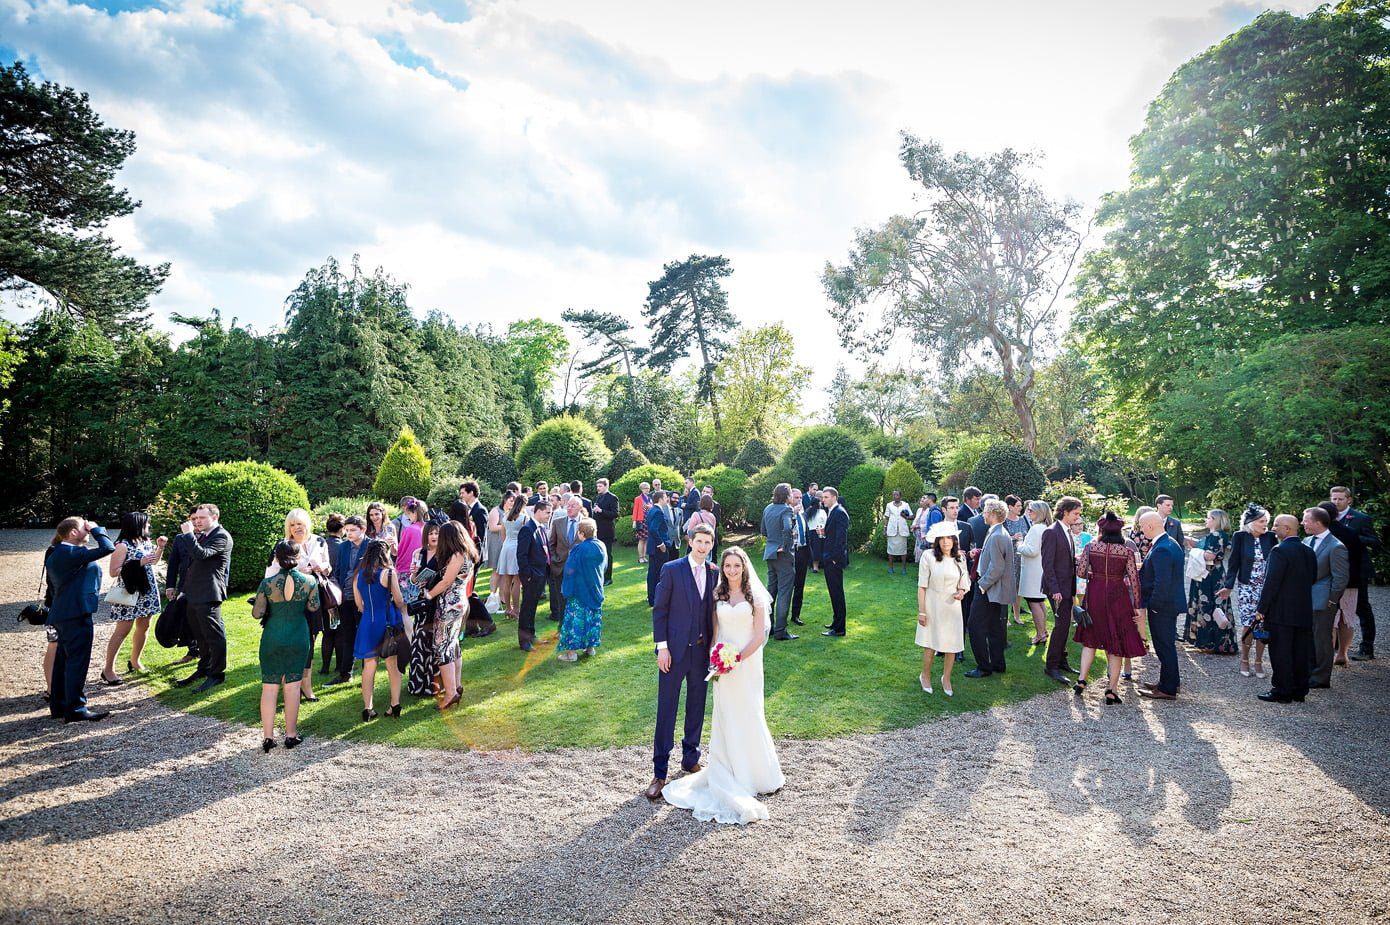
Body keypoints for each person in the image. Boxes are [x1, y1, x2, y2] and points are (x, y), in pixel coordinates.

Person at [662, 542, 783, 823]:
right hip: (722, 663)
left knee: (749, 711)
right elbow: (714, 632)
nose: (731, 570)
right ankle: (727, 767)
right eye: (727, 566)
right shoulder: (718, 593)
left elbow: (758, 637)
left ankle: (754, 771)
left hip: (747, 663)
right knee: (726, 713)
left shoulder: (756, 598)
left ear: (744, 567)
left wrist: (736, 658)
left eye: (736, 566)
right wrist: (716, 658)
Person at [646, 525, 718, 803]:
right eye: (698, 541)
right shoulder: (672, 569)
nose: (702, 546)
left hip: (701, 653)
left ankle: (690, 758)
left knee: (697, 706)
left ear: (712, 544)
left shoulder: (713, 572)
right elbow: (660, 610)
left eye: (707, 542)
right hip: (673, 653)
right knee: (667, 708)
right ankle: (659, 772)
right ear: (690, 541)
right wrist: (662, 648)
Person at [45, 517, 116, 722]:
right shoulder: (70, 552)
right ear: (73, 533)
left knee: (63, 661)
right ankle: (75, 708)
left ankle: (59, 706)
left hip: (63, 612)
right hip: (75, 614)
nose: (86, 530)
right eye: (83, 528)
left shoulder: (58, 551)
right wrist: (96, 529)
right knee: (77, 661)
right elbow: (107, 547)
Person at [1072, 512, 1147, 704]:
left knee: (1090, 640)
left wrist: (1094, 573)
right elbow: (1134, 580)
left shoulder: (1090, 547)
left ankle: (1081, 680)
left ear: (1101, 530)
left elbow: (1080, 572)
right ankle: (1111, 690)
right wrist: (1137, 606)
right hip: (1118, 596)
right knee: (1116, 642)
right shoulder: (1126, 552)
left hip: (1095, 593)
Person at [254, 541, 321, 752]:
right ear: (299, 556)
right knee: (293, 685)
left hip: (273, 635)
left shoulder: (267, 583)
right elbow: (313, 606)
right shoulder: (310, 581)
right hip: (298, 634)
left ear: (276, 558)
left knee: (269, 686)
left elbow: (257, 613)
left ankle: (268, 737)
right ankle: (291, 735)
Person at [1255, 514, 1317, 703]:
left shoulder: (1279, 551)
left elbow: (1271, 583)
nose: (1273, 529)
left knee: (1281, 652)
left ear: (1287, 529)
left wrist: (1262, 608)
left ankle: (1282, 690)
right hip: (1303, 610)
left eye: (1276, 525)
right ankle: (1300, 689)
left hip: (1281, 611)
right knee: (1300, 651)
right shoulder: (1308, 551)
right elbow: (1313, 577)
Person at [173, 504, 234, 693]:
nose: (197, 521)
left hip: (209, 593)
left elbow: (201, 554)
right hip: (193, 593)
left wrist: (189, 535)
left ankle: (216, 674)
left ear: (215, 517)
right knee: (200, 635)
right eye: (196, 518)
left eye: (202, 518)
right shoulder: (204, 535)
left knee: (214, 635)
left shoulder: (221, 536)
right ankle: (204, 668)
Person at [274, 509, 332, 703]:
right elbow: (271, 575)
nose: (296, 528)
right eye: (292, 524)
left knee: (310, 641)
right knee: (292, 643)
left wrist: (322, 568)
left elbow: (328, 566)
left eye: (300, 523)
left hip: (314, 599)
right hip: (291, 603)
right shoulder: (283, 546)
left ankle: (306, 685)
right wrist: (297, 569)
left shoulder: (319, 541)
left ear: (307, 523)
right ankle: (290, 684)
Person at [101, 511, 166, 684]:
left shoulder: (144, 541)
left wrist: (159, 547)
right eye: (146, 524)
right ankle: (108, 670)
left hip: (147, 591)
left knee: (144, 627)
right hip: (129, 592)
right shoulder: (122, 545)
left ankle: (135, 661)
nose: (149, 527)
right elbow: (113, 571)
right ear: (137, 525)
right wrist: (139, 563)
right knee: (122, 631)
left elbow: (153, 561)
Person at [419, 522, 477, 710]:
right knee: (453, 645)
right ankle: (456, 686)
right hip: (459, 602)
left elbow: (445, 582)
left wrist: (428, 595)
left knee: (441, 646)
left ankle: (450, 692)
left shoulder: (457, 556)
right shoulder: (467, 552)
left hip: (449, 605)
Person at [350, 539, 410, 721]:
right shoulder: (389, 573)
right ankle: (395, 704)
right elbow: (399, 601)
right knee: (392, 665)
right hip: (387, 621)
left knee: (369, 665)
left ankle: (368, 708)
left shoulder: (358, 575)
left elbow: (359, 604)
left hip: (368, 621)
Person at [1221, 504, 1276, 680]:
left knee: (1263, 625)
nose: (1265, 524)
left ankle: (1259, 661)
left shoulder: (1271, 537)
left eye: (1266, 521)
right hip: (1247, 588)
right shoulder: (1240, 537)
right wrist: (1228, 585)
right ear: (1251, 523)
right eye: (1261, 521)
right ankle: (1245, 659)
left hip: (1266, 589)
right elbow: (1234, 563)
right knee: (1248, 624)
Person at [916, 522, 970, 696]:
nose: (946, 542)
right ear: (937, 541)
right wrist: (922, 611)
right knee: (930, 644)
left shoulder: (960, 558)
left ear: (955, 540)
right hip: (932, 604)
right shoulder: (928, 556)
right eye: (943, 538)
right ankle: (925, 675)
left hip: (952, 607)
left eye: (950, 538)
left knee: (951, 645)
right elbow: (922, 586)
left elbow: (964, 582)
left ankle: (946, 678)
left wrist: (961, 592)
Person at [1138, 511, 1185, 701]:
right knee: (1166, 646)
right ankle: (1169, 681)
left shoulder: (1162, 548)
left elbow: (1162, 582)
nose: (1141, 530)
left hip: (1163, 606)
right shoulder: (1168, 542)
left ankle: (1168, 688)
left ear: (1150, 526)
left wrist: (1154, 605)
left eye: (1142, 526)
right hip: (1168, 604)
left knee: (1164, 646)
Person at [1329, 486, 1380, 660]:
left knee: (1362, 608)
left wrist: (1352, 537)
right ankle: (1336, 646)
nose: (1336, 502)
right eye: (1333, 499)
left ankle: (1367, 648)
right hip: (1335, 570)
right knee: (1334, 607)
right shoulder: (1325, 517)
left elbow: (1374, 542)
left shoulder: (1361, 519)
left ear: (1349, 500)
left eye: (1340, 499)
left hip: (1357, 570)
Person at [965, 499, 1015, 678]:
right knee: (995, 627)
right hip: (994, 589)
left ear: (993, 514)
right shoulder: (998, 532)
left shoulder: (997, 535)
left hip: (989, 588)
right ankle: (998, 664)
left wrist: (982, 585)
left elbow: (997, 568)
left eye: (985, 511)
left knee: (974, 625)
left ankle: (984, 667)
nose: (983, 514)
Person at [1303, 506, 1348, 691]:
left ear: (1318, 523)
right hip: (1305, 598)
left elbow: (1341, 577)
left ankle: (1321, 677)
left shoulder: (1336, 546)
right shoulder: (1306, 540)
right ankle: (1308, 672)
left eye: (1306, 520)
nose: (1302, 523)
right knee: (1308, 637)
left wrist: (1332, 600)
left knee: (1321, 638)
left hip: (1323, 601)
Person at [1041, 497, 1083, 683]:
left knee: (1065, 625)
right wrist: (1055, 590)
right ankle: (1051, 666)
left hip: (1067, 587)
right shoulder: (1051, 532)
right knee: (1061, 626)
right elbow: (1047, 564)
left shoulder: (1067, 531)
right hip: (1057, 589)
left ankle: (1061, 660)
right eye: (1076, 513)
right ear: (1065, 511)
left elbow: (1062, 559)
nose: (1078, 517)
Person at [1184, 510, 1235, 654]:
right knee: (1208, 605)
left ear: (1216, 520)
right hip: (1207, 574)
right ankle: (1211, 642)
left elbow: (1209, 555)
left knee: (1210, 606)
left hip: (1210, 576)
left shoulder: (1217, 535)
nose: (1206, 520)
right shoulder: (1214, 535)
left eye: (1208, 518)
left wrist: (1194, 550)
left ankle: (1211, 643)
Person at [1319, 500, 1364, 666]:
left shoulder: (1323, 534)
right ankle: (1342, 654)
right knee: (1347, 619)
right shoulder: (1351, 533)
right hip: (1351, 582)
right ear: (1337, 514)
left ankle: (1327, 656)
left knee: (1328, 620)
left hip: (1328, 583)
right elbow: (1359, 558)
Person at [557, 519, 606, 661]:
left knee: (575, 620)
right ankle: (590, 649)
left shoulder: (579, 549)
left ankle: (571, 654)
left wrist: (566, 588)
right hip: (595, 588)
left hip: (580, 590)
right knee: (592, 618)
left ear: (581, 533)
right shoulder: (600, 545)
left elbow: (570, 570)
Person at [330, 515, 369, 685]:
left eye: (353, 530)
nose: (349, 533)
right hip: (345, 597)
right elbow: (339, 570)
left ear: (363, 529)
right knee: (348, 635)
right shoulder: (343, 546)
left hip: (365, 598)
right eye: (347, 530)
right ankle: (346, 673)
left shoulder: (372, 545)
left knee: (365, 635)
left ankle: (367, 674)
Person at [406, 521, 441, 693]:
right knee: (419, 640)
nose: (434, 536)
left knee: (435, 641)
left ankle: (433, 685)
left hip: (438, 601)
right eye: (431, 533)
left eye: (437, 533)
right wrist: (414, 573)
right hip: (422, 601)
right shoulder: (418, 553)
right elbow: (413, 581)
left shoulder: (445, 554)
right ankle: (417, 684)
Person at [761, 483, 798, 641]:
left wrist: (774, 543)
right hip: (783, 555)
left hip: (770, 553)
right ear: (787, 495)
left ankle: (768, 628)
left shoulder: (768, 508)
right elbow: (787, 528)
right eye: (790, 493)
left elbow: (763, 530)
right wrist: (785, 545)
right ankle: (780, 631)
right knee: (784, 592)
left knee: (772, 591)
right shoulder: (786, 509)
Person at [516, 500, 552, 651]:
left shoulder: (541, 528)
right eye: (547, 512)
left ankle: (531, 635)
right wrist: (528, 575)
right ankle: (524, 642)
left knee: (533, 608)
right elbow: (521, 555)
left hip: (540, 575)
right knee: (527, 609)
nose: (549, 516)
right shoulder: (527, 529)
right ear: (538, 511)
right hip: (532, 576)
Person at [1015, 500, 1052, 647]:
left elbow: (1031, 551)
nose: (1028, 512)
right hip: (1039, 570)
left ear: (1039, 512)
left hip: (1033, 572)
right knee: (1039, 601)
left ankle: (1041, 634)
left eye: (1031, 510)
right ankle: (1042, 631)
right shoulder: (1044, 527)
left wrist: (1020, 543)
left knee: (1034, 602)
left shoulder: (1037, 529)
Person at [820, 487, 851, 637]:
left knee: (837, 593)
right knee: (834, 593)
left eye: (825, 497)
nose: (823, 500)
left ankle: (839, 629)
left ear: (833, 497)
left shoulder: (839, 512)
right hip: (830, 558)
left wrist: (833, 558)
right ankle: (836, 622)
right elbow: (833, 535)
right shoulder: (833, 511)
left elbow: (841, 539)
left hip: (834, 560)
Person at [548, 496, 584, 624]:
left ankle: (577, 624)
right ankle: (563, 626)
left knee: (578, 597)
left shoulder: (586, 523)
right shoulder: (558, 522)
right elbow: (551, 543)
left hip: (579, 568)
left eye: (573, 505)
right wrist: (554, 558)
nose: (569, 508)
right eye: (568, 505)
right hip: (560, 566)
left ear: (580, 507)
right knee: (561, 598)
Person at [492, 492, 526, 619]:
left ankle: (508, 609)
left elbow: (503, 535)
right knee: (517, 580)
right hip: (517, 548)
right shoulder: (523, 518)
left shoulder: (505, 516)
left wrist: (507, 543)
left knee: (507, 580)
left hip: (506, 547)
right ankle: (516, 610)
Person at [788, 488, 812, 628]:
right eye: (795, 497)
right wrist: (793, 514)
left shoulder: (803, 514)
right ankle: (778, 615)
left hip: (802, 552)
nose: (798, 500)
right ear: (790, 498)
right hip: (790, 553)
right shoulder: (786, 513)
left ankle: (795, 615)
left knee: (800, 585)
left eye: (800, 498)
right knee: (786, 585)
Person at [645, 490, 673, 606]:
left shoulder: (653, 510)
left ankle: (652, 598)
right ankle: (656, 598)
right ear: (661, 498)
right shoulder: (657, 512)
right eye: (666, 496)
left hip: (653, 547)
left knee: (653, 572)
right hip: (658, 548)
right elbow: (653, 529)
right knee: (658, 573)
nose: (667, 498)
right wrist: (661, 544)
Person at [592, 477, 619, 585]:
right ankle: (600, 576)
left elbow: (615, 514)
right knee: (598, 554)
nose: (598, 488)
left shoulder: (613, 498)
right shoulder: (598, 497)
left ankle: (608, 578)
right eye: (597, 486)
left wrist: (601, 511)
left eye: (600, 486)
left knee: (607, 554)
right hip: (597, 530)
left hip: (607, 530)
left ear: (606, 486)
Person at [884, 489, 913, 574]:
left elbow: (911, 516)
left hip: (902, 531)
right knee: (890, 550)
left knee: (903, 550)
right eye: (894, 495)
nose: (895, 497)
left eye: (897, 495)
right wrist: (885, 529)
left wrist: (906, 517)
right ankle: (890, 568)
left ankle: (904, 569)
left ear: (900, 496)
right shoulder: (889, 505)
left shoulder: (905, 505)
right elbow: (886, 517)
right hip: (892, 530)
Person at [805, 489, 827, 574]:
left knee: (811, 550)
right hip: (819, 532)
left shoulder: (808, 512)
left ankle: (812, 565)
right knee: (818, 550)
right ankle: (816, 567)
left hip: (810, 533)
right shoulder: (822, 512)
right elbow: (825, 522)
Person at [633, 481, 652, 565]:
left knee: (647, 540)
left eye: (648, 488)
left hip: (648, 520)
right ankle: (640, 557)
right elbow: (635, 510)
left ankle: (644, 556)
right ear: (642, 489)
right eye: (646, 488)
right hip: (641, 520)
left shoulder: (649, 498)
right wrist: (634, 521)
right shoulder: (638, 498)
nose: (647, 490)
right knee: (641, 540)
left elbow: (652, 508)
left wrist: (650, 507)